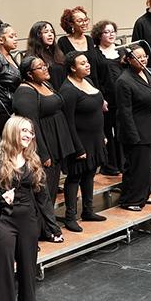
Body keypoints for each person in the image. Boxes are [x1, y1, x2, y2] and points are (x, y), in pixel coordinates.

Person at [0, 116, 51, 301]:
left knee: (27, 267)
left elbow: (42, 196)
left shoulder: (33, 160)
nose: (29, 135)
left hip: (28, 220)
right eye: (24, 130)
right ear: (12, 132)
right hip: (2, 220)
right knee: (3, 271)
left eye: (31, 132)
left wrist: (52, 227)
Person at [12, 56, 74, 238]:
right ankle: (42, 229)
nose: (45, 68)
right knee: (43, 191)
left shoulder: (45, 84)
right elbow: (32, 126)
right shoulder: (25, 92)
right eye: (40, 67)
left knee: (52, 188)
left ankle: (48, 226)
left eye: (44, 64)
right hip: (44, 145)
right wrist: (43, 154)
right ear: (29, 74)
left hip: (56, 141)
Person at [60, 51, 108, 232]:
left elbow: (97, 112)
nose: (87, 65)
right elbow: (68, 122)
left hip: (95, 138)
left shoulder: (89, 82)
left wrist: (102, 134)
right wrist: (78, 148)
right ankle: (70, 216)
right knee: (75, 178)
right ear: (73, 68)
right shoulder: (68, 90)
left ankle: (88, 210)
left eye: (87, 62)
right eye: (82, 63)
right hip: (79, 141)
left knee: (90, 174)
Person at [115, 45, 151, 211]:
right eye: (138, 57)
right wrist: (133, 136)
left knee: (150, 166)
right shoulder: (124, 80)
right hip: (136, 129)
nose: (143, 60)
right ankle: (131, 200)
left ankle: (145, 195)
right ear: (129, 60)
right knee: (138, 167)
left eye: (144, 56)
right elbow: (125, 112)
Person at [91, 19, 123, 175]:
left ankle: (123, 162)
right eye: (107, 32)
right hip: (106, 99)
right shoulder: (95, 54)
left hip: (122, 98)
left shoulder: (121, 51)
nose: (111, 34)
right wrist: (100, 99)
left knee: (121, 130)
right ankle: (110, 165)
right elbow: (95, 79)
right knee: (108, 132)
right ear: (99, 35)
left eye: (113, 31)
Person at [57, 6, 99, 88]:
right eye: (80, 21)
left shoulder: (89, 39)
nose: (84, 23)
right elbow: (63, 69)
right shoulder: (63, 41)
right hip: (75, 86)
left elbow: (94, 67)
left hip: (93, 84)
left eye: (86, 20)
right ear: (71, 24)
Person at [26, 21, 65, 89]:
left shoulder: (56, 52)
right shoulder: (32, 57)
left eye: (52, 32)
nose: (50, 34)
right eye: (46, 32)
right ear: (37, 35)